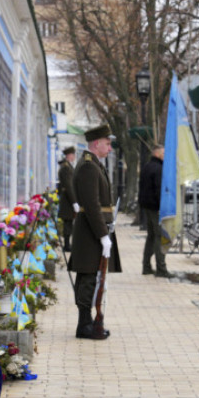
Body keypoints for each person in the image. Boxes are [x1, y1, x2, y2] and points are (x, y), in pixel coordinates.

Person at [69, 124, 121, 339]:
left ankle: (87, 322)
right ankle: (84, 324)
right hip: (91, 232)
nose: (110, 148)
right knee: (88, 277)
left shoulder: (93, 164)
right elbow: (92, 204)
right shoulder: (89, 166)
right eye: (107, 144)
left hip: (92, 230)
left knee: (91, 276)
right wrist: (102, 236)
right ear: (96, 143)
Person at [138, 144, 170, 277]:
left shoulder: (147, 166)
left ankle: (146, 266)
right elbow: (159, 190)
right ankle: (161, 269)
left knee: (151, 236)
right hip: (155, 207)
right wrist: (161, 207)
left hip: (146, 206)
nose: (165, 156)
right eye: (163, 153)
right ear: (157, 154)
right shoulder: (159, 169)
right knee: (158, 237)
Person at [58, 145, 77, 252]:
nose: (74, 156)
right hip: (68, 201)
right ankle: (66, 245)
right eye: (73, 154)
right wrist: (74, 202)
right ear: (69, 155)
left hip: (68, 200)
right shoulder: (66, 167)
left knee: (69, 223)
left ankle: (67, 244)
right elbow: (69, 186)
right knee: (67, 223)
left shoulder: (68, 166)